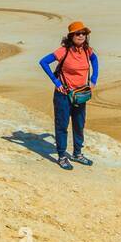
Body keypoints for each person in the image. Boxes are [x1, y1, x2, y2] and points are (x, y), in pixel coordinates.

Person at [39, 21, 99, 170]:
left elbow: (95, 60)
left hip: (80, 94)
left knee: (79, 125)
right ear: (71, 35)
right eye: (78, 33)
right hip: (64, 94)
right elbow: (43, 62)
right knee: (62, 125)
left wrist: (93, 79)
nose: (81, 36)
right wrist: (57, 83)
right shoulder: (63, 51)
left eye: (83, 33)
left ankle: (77, 154)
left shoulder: (87, 51)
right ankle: (62, 156)